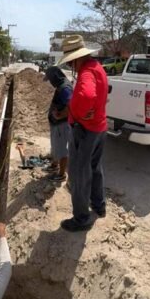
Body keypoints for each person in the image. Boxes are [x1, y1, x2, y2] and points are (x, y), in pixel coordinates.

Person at [57, 35, 108, 232]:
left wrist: (77, 114)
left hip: (85, 131)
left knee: (79, 174)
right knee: (95, 168)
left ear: (77, 58)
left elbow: (87, 95)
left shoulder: (86, 72)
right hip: (99, 128)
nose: (71, 65)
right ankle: (99, 205)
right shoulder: (97, 68)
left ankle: (81, 218)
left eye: (70, 61)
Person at [44, 66, 73, 182]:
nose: (50, 82)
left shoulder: (64, 87)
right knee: (55, 146)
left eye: (50, 80)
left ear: (54, 77)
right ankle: (54, 165)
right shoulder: (61, 85)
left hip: (62, 125)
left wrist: (60, 115)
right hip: (56, 124)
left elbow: (71, 105)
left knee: (61, 149)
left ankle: (61, 174)